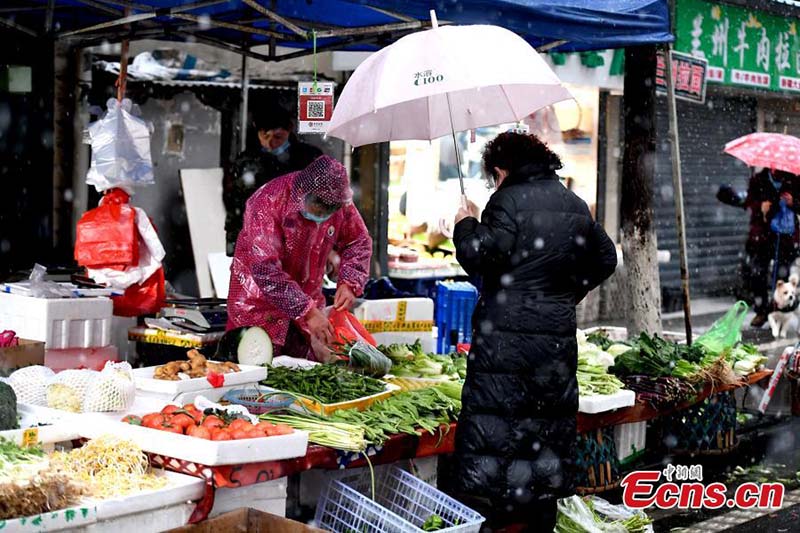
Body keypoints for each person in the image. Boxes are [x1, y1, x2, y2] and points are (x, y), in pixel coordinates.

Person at [451, 132, 617, 531]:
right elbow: (606, 258)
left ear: (500, 170)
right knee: (542, 436)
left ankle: (502, 524)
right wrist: (562, 297)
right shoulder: (574, 203)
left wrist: (465, 224)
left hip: (505, 343)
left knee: (502, 436)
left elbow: (480, 256)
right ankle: (540, 522)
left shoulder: (506, 201)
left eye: (493, 177)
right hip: (553, 342)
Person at [226, 155, 372, 360]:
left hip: (308, 308)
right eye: (317, 206)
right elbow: (265, 269)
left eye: (329, 210)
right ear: (302, 192)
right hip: (258, 309)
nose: (322, 213)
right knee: (255, 378)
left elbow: (358, 241)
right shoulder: (268, 202)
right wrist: (307, 311)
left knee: (304, 377)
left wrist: (349, 282)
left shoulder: (338, 202)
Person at [223, 103, 323, 255]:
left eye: (278, 137)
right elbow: (234, 204)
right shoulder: (245, 162)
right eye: (265, 136)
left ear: (289, 130)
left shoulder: (308, 159)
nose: (270, 143)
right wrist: (234, 245)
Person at [717, 168, 800, 327]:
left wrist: (793, 202)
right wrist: (760, 206)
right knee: (757, 273)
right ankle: (762, 310)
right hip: (761, 236)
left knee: (781, 276)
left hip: (786, 238)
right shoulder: (759, 179)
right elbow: (749, 201)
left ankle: (778, 310)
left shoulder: (794, 180)